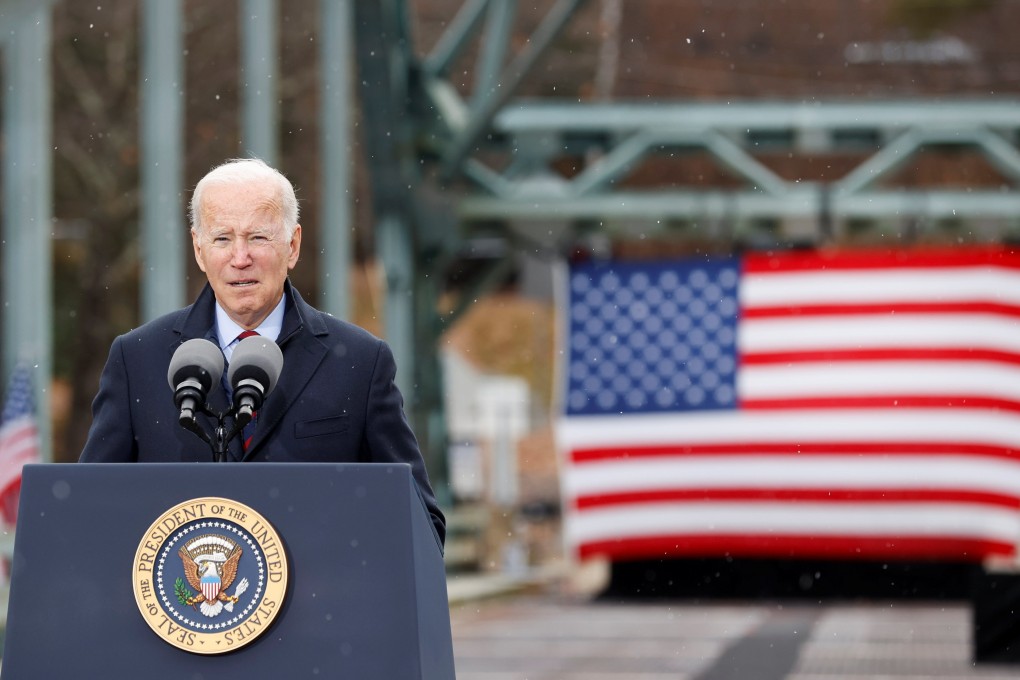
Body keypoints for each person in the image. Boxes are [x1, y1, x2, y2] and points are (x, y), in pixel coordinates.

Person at [79, 158, 445, 545]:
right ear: (199, 249)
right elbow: (88, 514)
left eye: (258, 237)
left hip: (320, 603)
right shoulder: (137, 359)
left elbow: (420, 523)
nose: (240, 258)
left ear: (293, 245)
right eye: (222, 238)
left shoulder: (360, 362)